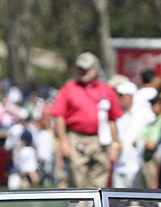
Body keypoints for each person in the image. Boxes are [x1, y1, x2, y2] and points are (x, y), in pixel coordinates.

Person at [49, 52, 122, 188]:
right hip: (76, 138)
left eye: (86, 68)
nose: (82, 72)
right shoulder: (69, 88)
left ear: (95, 69)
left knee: (100, 179)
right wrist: (63, 142)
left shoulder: (106, 90)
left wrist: (115, 144)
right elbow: (59, 116)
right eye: (80, 68)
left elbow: (112, 119)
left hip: (100, 140)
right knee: (78, 180)